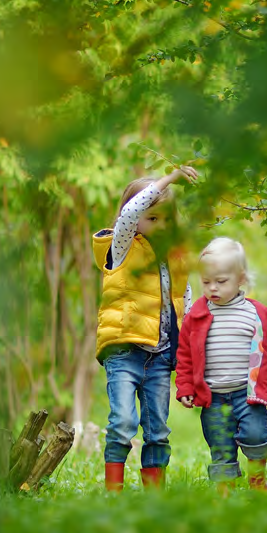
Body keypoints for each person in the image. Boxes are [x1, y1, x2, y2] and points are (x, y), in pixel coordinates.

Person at [92, 163, 199, 491]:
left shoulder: (176, 258)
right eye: (153, 218)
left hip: (161, 356)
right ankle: (114, 492)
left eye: (167, 219)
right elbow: (129, 213)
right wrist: (168, 180)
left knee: (158, 430)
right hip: (125, 350)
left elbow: (186, 304)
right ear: (135, 220)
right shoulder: (121, 247)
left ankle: (155, 496)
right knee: (123, 422)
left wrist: (189, 363)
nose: (161, 225)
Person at [176, 237, 267, 494]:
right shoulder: (196, 316)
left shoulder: (257, 315)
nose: (213, 288)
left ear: (241, 278)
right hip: (213, 397)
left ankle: (257, 478)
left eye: (221, 281)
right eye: (206, 282)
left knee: (256, 435)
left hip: (248, 394)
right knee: (219, 444)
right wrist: (185, 386)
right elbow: (185, 356)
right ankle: (225, 488)